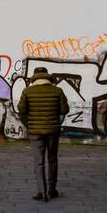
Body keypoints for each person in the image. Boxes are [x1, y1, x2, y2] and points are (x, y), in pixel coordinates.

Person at [17, 66, 70, 201]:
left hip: (35, 132)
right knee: (52, 160)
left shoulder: (27, 91)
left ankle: (42, 192)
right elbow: (64, 110)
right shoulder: (57, 91)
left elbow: (21, 110)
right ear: (48, 76)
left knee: (39, 162)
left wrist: (29, 124)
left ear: (34, 78)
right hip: (53, 131)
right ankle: (52, 190)